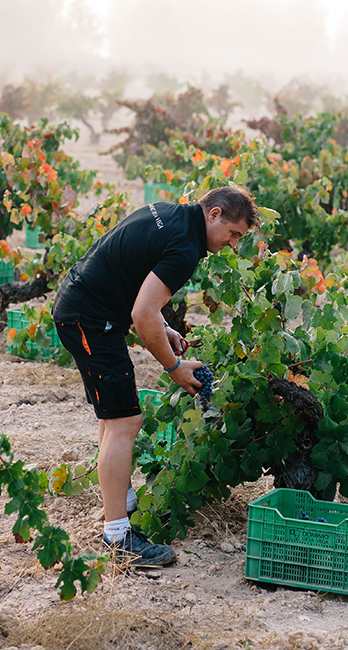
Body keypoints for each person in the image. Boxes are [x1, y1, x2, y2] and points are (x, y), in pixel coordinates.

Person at [52, 186, 259, 567]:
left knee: (114, 418)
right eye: (233, 234)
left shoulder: (171, 214)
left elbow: (136, 280)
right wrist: (174, 367)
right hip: (90, 317)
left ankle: (120, 507)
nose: (233, 244)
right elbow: (141, 314)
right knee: (126, 421)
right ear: (214, 214)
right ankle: (118, 539)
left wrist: (164, 327)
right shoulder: (185, 248)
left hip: (91, 310)